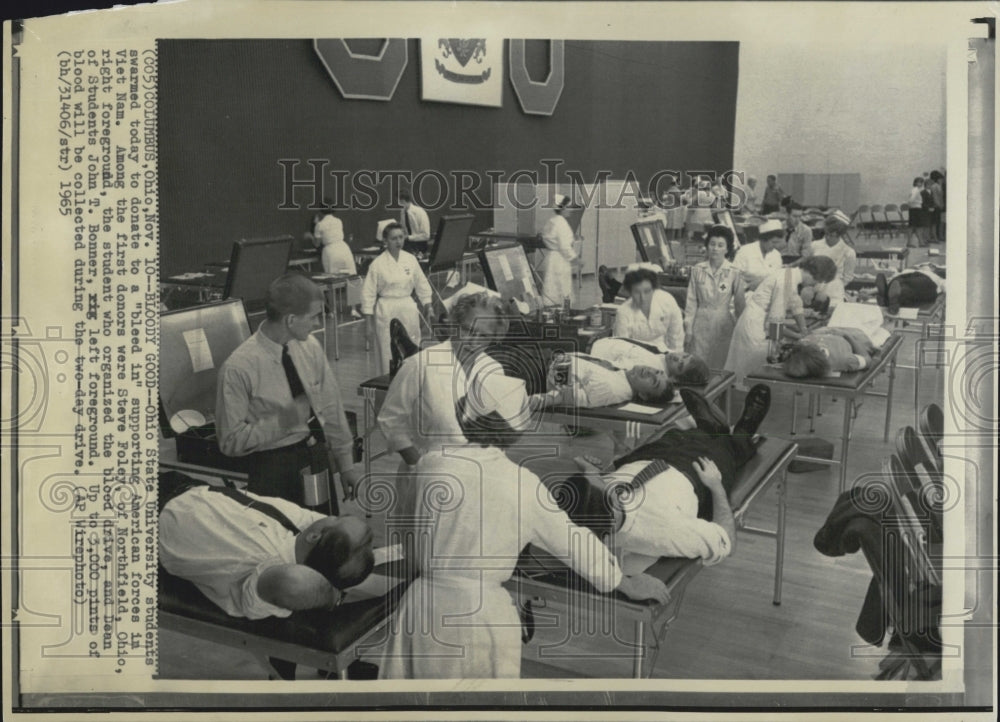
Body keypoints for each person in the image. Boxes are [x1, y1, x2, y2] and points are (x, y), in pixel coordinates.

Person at [377, 368, 670, 679]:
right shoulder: (521, 484)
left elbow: (407, 533)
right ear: (518, 429)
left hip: (421, 607)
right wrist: (622, 581)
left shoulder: (428, 464)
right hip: (480, 619)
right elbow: (572, 542)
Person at [548, 385, 772, 574]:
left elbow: (589, 495)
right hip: (696, 474)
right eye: (602, 482)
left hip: (647, 458)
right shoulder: (666, 530)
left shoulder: (590, 514)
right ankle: (744, 429)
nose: (603, 479)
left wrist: (591, 469)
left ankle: (709, 428)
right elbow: (726, 542)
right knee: (726, 450)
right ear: (612, 502)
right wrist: (715, 487)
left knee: (674, 436)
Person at [216, 273, 362, 506]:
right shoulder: (238, 368)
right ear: (291, 319)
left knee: (325, 535)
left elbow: (331, 406)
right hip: (273, 471)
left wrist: (346, 465)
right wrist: (285, 420)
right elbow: (230, 441)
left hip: (316, 457)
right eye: (314, 317)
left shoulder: (309, 347)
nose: (317, 324)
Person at [724, 255, 838, 386]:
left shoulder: (790, 275)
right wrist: (790, 338)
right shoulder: (785, 280)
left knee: (748, 368)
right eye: (819, 281)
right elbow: (776, 318)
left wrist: (803, 329)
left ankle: (742, 391)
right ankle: (740, 394)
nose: (816, 284)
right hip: (755, 322)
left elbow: (795, 304)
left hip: (758, 319)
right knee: (750, 368)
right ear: (814, 275)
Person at [361, 222, 434, 375]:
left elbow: (422, 284)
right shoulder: (377, 264)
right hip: (386, 310)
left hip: (407, 308)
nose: (399, 241)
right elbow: (368, 295)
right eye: (394, 238)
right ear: (385, 241)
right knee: (388, 351)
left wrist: (428, 306)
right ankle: (389, 387)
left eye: (401, 237)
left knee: (413, 347)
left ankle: (413, 383)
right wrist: (368, 325)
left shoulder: (410, 259)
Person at [684, 224, 746, 370]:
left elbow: (739, 304)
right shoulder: (697, 270)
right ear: (707, 245)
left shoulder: (734, 272)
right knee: (697, 363)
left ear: (727, 248)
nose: (715, 248)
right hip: (700, 321)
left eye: (720, 245)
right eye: (712, 244)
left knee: (719, 364)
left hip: (723, 322)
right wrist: (688, 329)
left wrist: (741, 329)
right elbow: (691, 302)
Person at [529, 350, 677, 410]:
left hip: (536, 372)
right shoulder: (624, 374)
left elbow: (565, 395)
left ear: (644, 395)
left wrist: (561, 363)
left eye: (654, 381)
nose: (650, 372)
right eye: (657, 371)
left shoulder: (612, 390)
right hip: (545, 356)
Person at [613, 266, 685, 351]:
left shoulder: (667, 301)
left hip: (664, 353)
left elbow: (676, 338)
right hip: (634, 355)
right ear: (630, 292)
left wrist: (675, 359)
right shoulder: (623, 312)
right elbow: (621, 347)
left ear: (654, 289)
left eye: (647, 291)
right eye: (637, 292)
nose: (642, 298)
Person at [590, 336, 710, 386]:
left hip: (589, 350)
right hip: (602, 339)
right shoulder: (666, 354)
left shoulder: (650, 367)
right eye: (685, 355)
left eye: (680, 365)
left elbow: (614, 368)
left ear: (675, 378)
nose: (678, 358)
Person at [806, 211, 856, 311]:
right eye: (826, 234)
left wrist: (835, 283)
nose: (828, 237)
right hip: (814, 289)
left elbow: (848, 276)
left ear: (840, 235)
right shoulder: (814, 245)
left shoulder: (848, 252)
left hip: (835, 292)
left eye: (832, 236)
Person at [539, 193, 578, 307]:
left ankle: (551, 311)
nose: (570, 210)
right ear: (563, 208)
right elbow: (564, 246)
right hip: (560, 260)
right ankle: (561, 314)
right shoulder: (561, 223)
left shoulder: (552, 221)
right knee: (561, 289)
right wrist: (575, 258)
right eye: (569, 207)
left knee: (551, 288)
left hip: (552, 258)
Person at [732, 218, 784, 292]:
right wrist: (748, 286)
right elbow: (733, 277)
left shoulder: (776, 255)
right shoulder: (745, 251)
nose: (775, 246)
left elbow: (778, 279)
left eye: (777, 242)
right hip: (745, 293)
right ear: (763, 239)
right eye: (773, 242)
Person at [874, 263, 945, 315]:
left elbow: (894, 282)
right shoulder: (934, 275)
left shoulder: (908, 270)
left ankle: (885, 297)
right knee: (910, 292)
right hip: (924, 280)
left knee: (900, 287)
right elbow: (944, 286)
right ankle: (894, 301)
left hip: (900, 277)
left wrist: (873, 291)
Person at [398, 186, 431, 252]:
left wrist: (409, 238)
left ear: (403, 201)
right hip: (407, 245)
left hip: (420, 246)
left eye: (399, 201)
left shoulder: (420, 212)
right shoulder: (403, 212)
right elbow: (403, 228)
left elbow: (426, 235)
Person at [683, 178, 715, 243]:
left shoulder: (700, 193)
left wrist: (686, 198)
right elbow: (714, 206)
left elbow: (691, 201)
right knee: (706, 225)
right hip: (707, 210)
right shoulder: (712, 195)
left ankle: (690, 238)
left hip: (699, 210)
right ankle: (705, 237)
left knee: (694, 224)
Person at [906, 177, 927, 248]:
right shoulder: (915, 190)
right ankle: (916, 242)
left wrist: (910, 205)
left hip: (914, 209)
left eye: (921, 182)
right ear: (915, 183)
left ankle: (920, 242)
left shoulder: (915, 190)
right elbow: (911, 200)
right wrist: (911, 204)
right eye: (918, 182)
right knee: (914, 227)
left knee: (916, 226)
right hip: (915, 209)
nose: (920, 184)